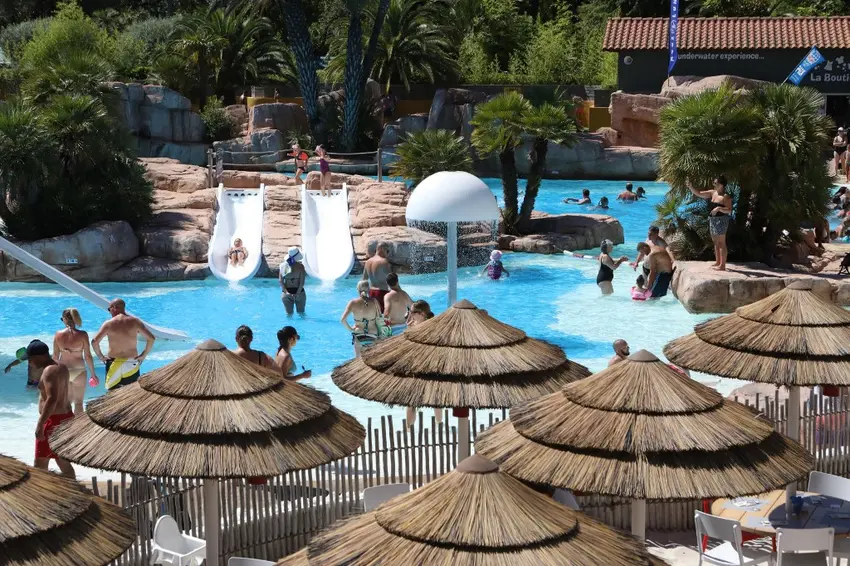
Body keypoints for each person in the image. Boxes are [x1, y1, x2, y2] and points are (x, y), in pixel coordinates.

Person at [27, 339, 75, 478]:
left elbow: (52, 399)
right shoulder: (60, 366)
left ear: (39, 356)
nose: (29, 362)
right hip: (65, 417)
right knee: (62, 460)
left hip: (53, 421)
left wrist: (40, 425)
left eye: (30, 358)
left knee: (40, 463)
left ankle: (40, 491)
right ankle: (74, 488)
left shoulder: (49, 371)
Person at [91, 298, 155, 391]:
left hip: (114, 363)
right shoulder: (135, 322)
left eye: (109, 309)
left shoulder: (108, 324)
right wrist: (143, 355)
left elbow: (94, 342)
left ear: (114, 308)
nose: (109, 312)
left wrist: (101, 357)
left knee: (112, 394)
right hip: (131, 362)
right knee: (131, 393)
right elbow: (151, 338)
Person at [53, 308, 96, 415]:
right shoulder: (83, 335)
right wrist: (93, 374)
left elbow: (55, 356)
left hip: (63, 371)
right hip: (79, 371)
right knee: (78, 403)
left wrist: (52, 374)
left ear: (64, 319)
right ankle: (78, 425)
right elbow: (88, 356)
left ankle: (66, 425)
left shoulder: (58, 334)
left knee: (66, 403)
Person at [688, 176, 733, 271]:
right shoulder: (713, 193)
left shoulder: (726, 197)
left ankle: (722, 265)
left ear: (721, 185)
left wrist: (719, 208)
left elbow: (729, 210)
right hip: (713, 220)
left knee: (721, 243)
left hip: (722, 220)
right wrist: (691, 187)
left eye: (715, 183)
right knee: (715, 242)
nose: (714, 184)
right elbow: (699, 194)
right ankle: (718, 262)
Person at [341, 280, 389, 356]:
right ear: (369, 289)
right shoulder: (374, 302)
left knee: (358, 361)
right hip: (372, 334)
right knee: (372, 359)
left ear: (358, 290)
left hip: (359, 333)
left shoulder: (353, 303)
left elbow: (343, 320)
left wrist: (351, 330)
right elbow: (380, 318)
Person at [362, 241, 393, 313]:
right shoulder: (384, 261)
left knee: (375, 315)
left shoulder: (368, 262)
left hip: (371, 293)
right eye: (387, 251)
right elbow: (392, 280)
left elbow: (363, 280)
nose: (387, 254)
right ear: (382, 249)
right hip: (382, 293)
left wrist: (363, 294)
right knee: (385, 316)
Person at [280, 247, 307, 315]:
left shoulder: (282, 266)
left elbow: (281, 281)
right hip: (299, 292)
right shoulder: (300, 267)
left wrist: (286, 292)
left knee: (289, 315)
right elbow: (302, 283)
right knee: (301, 314)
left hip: (286, 292)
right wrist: (297, 293)